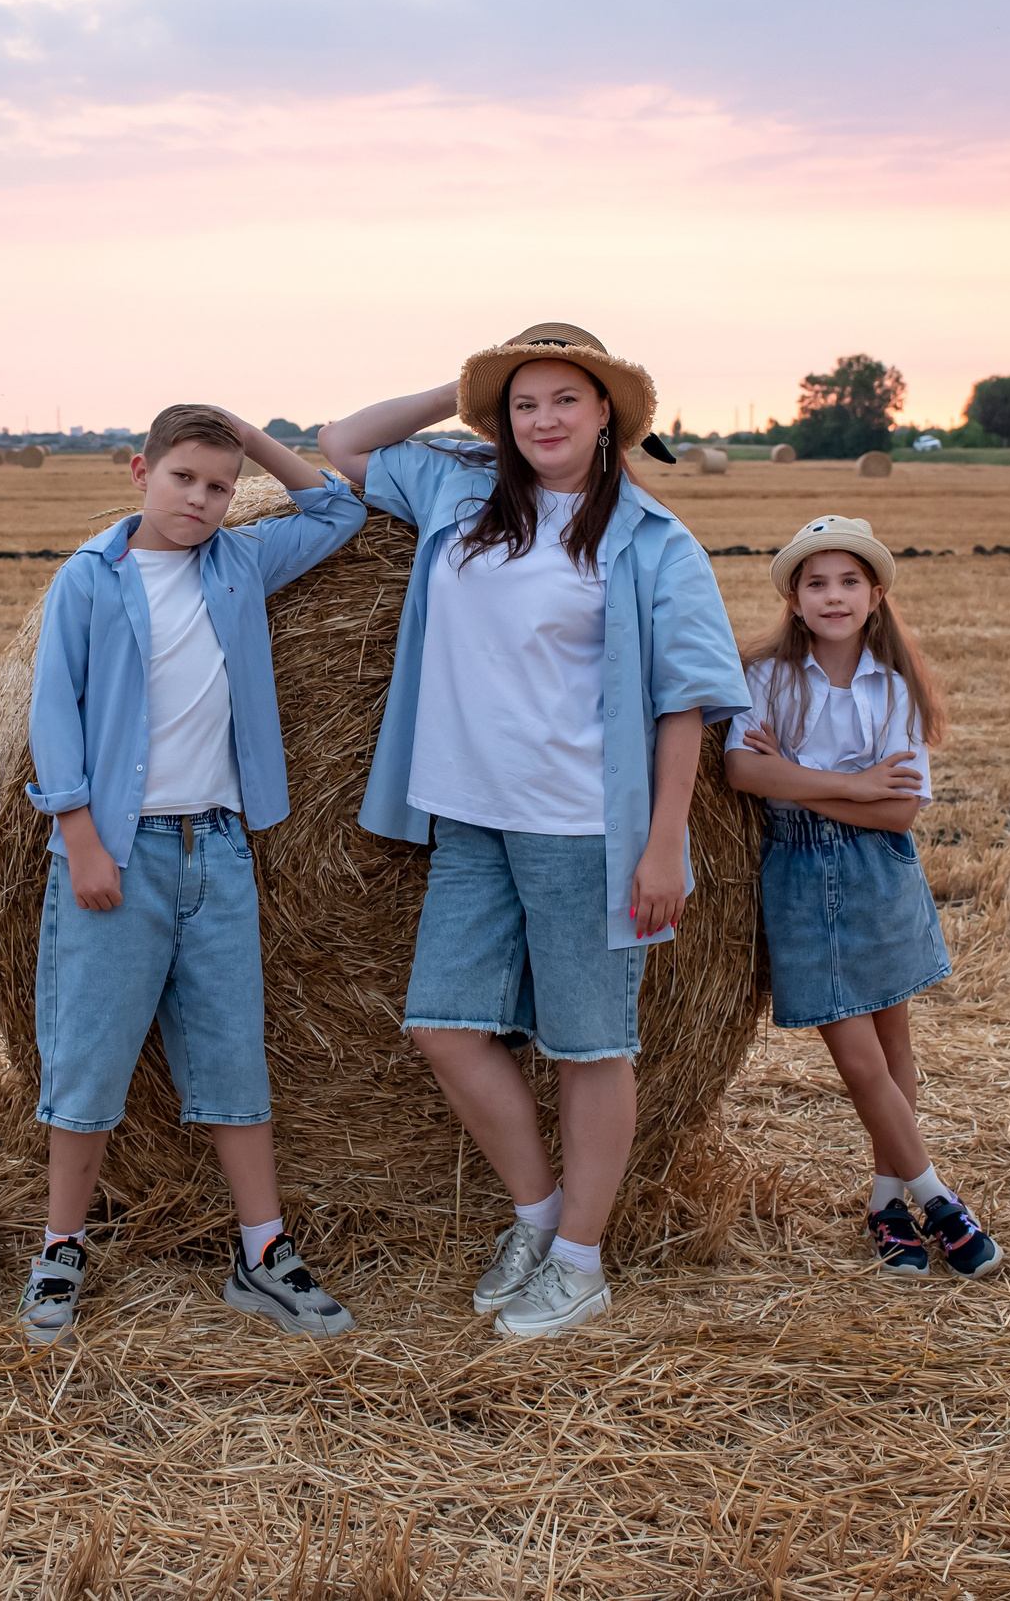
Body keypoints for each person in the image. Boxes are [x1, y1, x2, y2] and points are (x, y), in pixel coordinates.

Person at [319, 324, 745, 1339]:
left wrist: (664, 841)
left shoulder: (652, 540)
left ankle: (581, 1261)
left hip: (583, 825)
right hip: (468, 814)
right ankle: (539, 1215)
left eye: (564, 398)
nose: (542, 418)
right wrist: (466, 390)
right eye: (523, 402)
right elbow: (341, 442)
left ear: (607, 413)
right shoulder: (461, 494)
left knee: (590, 1045)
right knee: (442, 1023)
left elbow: (685, 702)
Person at [18, 403, 368, 1345]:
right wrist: (82, 838)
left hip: (218, 847)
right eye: (185, 478)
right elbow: (54, 714)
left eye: (220, 485)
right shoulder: (91, 579)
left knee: (231, 1055)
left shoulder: (240, 562)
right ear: (141, 470)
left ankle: (263, 1253)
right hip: (119, 853)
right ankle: (60, 1245)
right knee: (89, 1057)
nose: (203, 500)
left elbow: (337, 514)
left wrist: (255, 441)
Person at [722, 516, 1002, 1279]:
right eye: (816, 583)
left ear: (875, 595)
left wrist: (802, 781)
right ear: (794, 598)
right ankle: (938, 1197)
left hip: (882, 869)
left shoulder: (896, 685)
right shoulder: (765, 678)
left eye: (848, 581)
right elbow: (747, 775)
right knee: (858, 1063)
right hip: (801, 880)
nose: (833, 595)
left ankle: (886, 1203)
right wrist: (853, 784)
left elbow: (898, 811)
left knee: (893, 1049)